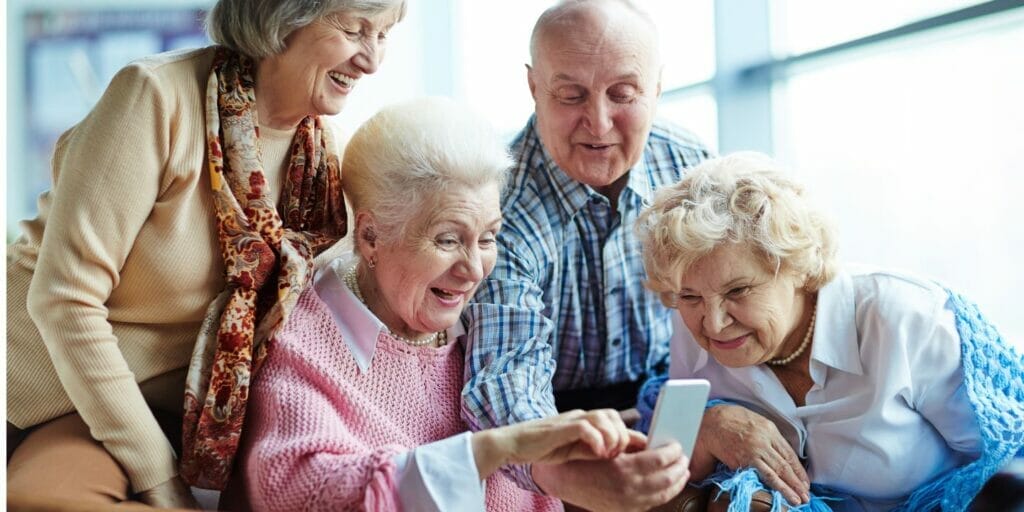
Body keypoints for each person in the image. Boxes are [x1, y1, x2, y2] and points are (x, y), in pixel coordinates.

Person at [6, 0, 405, 507]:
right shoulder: (156, 98)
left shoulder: (325, 163)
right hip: (46, 395)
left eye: (385, 35)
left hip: (181, 420)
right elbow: (65, 300)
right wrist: (160, 478)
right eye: (354, 31)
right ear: (281, 18)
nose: (371, 60)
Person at [461, 1, 811, 510]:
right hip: (561, 431)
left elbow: (757, 301)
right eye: (570, 94)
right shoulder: (498, 209)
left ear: (657, 89)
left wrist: (710, 417)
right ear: (534, 88)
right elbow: (503, 380)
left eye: (623, 94)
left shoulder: (690, 166)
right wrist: (568, 468)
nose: (598, 123)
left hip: (686, 398)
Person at [223, 97, 650, 512]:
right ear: (371, 236)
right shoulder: (303, 341)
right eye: (448, 239)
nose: (474, 270)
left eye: (488, 238)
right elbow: (297, 490)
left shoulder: (487, 329)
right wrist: (496, 449)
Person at [636, 152, 1024, 511]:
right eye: (688, 296)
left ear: (798, 267)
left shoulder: (903, 318)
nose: (714, 322)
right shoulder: (693, 329)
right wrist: (709, 426)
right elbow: (660, 472)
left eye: (738, 290)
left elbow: (1006, 462)